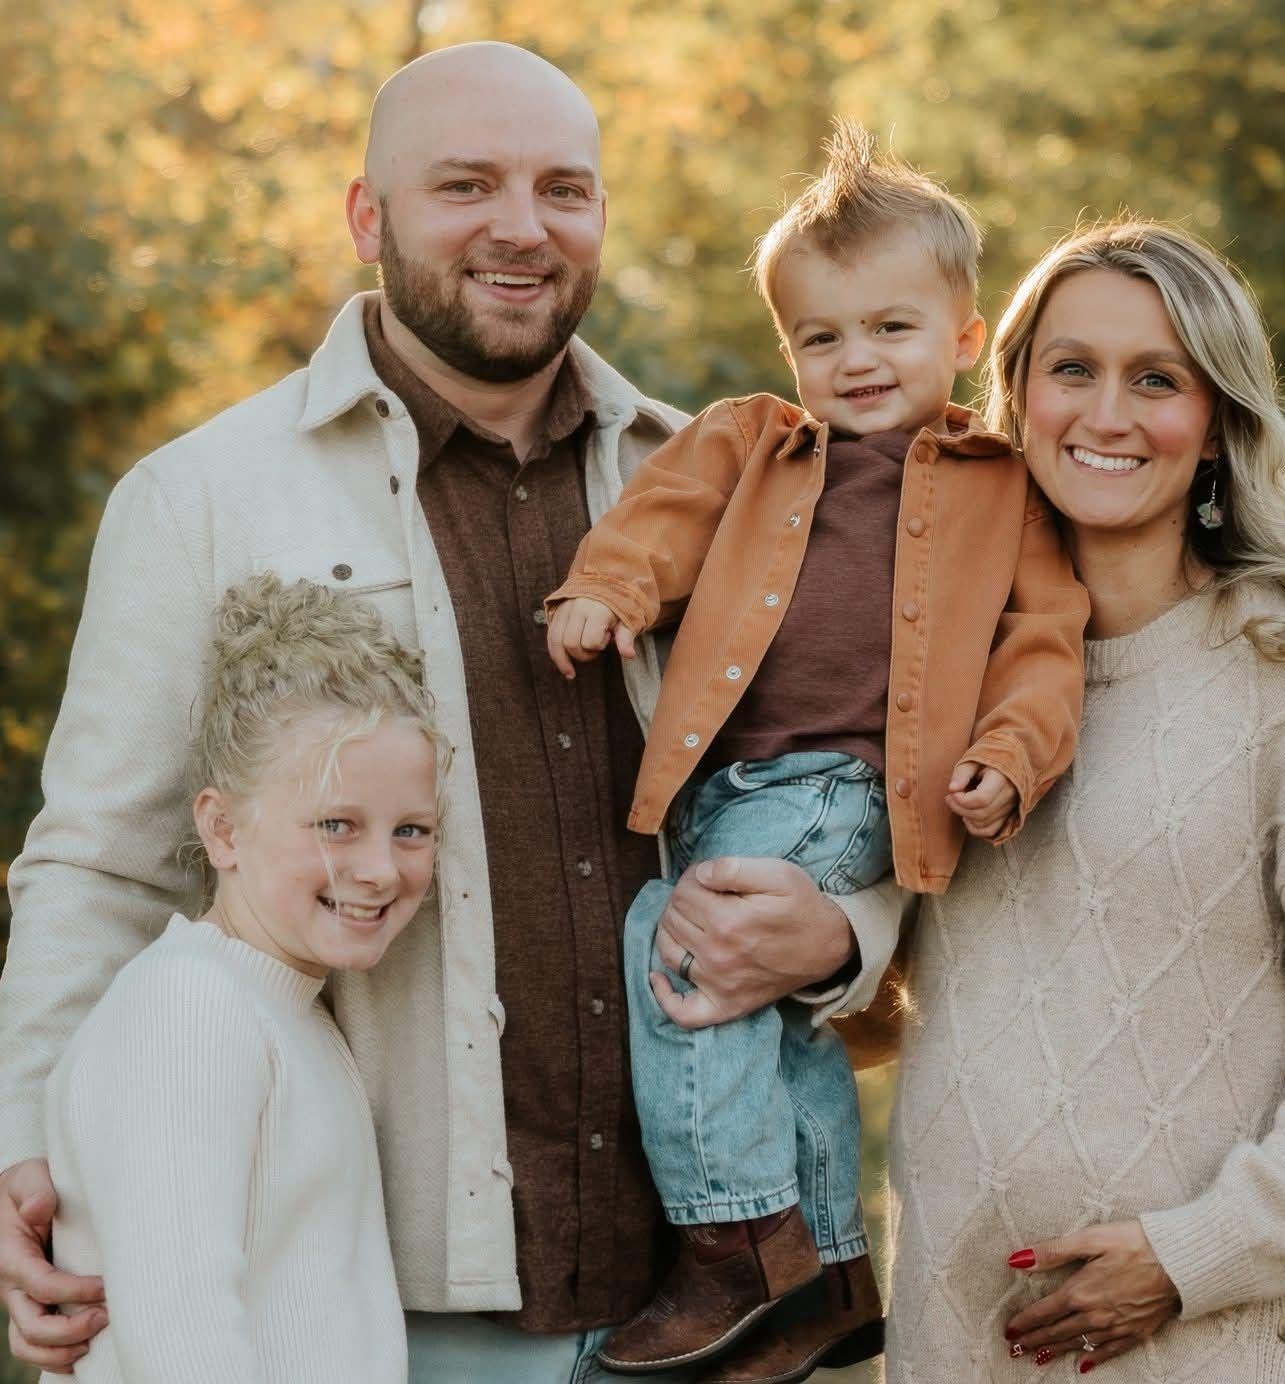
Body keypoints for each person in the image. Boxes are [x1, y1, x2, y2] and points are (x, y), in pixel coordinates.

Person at [0, 43, 904, 1384]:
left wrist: (848, 929)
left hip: (703, 1294)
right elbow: (101, 861)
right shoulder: (201, 499)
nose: (521, 227)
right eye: (465, 186)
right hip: (385, 1293)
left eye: (563, 189)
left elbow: (841, 769)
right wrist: (27, 1147)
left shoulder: (716, 482)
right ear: (368, 217)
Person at [546, 123, 1088, 1380]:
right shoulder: (752, 443)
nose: (854, 361)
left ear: (960, 338)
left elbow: (1042, 642)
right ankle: (836, 1271)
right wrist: (606, 591)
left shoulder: (1003, 485)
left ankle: (734, 1241)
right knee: (777, 1018)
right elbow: (659, 521)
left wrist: (1009, 751)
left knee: (676, 941)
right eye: (821, 336)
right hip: (724, 785)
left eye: (891, 329)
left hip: (852, 785)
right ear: (787, 348)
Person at [871, 221, 1285, 1381]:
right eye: (1072, 369)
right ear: (1013, 394)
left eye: (1153, 379)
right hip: (956, 1342)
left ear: (1211, 424)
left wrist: (1191, 1254)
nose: (1105, 415)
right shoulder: (932, 666)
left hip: (1208, 1349)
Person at [41, 574, 444, 1383]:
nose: (378, 869)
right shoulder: (188, 1009)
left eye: (411, 830)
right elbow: (181, 1347)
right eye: (337, 825)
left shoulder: (290, 1010)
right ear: (222, 829)